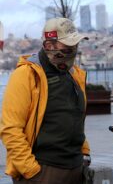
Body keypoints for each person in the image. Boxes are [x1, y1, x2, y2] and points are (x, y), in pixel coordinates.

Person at [0, 17, 91, 184]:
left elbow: (75, 118)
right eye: (68, 45)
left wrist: (84, 153)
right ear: (49, 45)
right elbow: (10, 129)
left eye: (75, 44)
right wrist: (31, 171)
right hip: (43, 171)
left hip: (76, 169)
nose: (74, 48)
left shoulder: (74, 74)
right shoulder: (26, 75)